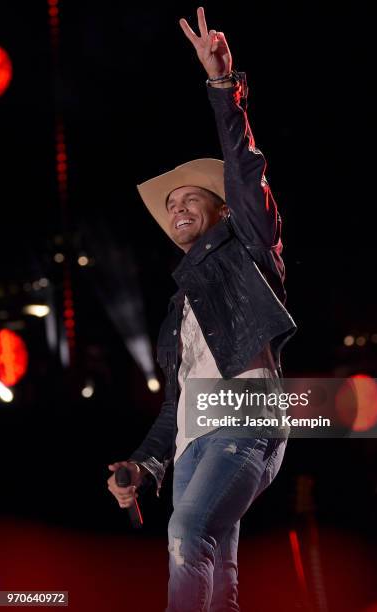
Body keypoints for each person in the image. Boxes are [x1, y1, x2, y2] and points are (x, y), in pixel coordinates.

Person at [107, 7, 297, 611]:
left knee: (189, 534)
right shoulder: (180, 306)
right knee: (214, 562)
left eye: (192, 197)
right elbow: (177, 401)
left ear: (223, 212)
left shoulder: (249, 252)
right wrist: (143, 465)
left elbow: (244, 171)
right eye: (171, 204)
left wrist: (223, 85)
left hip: (246, 418)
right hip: (194, 441)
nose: (178, 207)